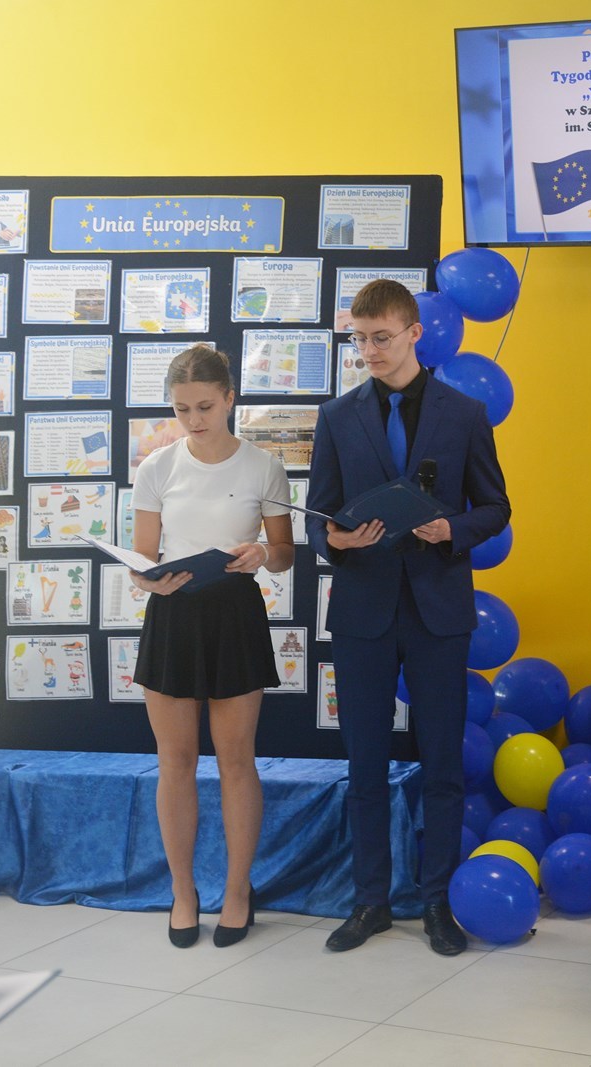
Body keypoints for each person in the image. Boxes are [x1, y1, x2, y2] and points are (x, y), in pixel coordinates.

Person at [306, 279, 510, 956]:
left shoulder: (464, 413)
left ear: (415, 332)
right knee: (364, 764)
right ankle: (370, 901)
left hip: (437, 608)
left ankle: (437, 903)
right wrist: (334, 540)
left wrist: (451, 529)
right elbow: (318, 515)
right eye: (360, 339)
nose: (369, 351)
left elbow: (496, 506)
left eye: (381, 338)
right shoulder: (337, 416)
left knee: (443, 763)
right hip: (362, 607)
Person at [130, 344, 295, 949]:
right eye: (182, 409)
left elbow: (285, 553)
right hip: (173, 613)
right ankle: (182, 892)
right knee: (174, 760)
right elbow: (141, 558)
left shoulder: (263, 466)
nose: (194, 419)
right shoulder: (156, 467)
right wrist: (146, 578)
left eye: (204, 406)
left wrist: (262, 554)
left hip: (234, 614)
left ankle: (237, 891)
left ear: (229, 399)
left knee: (236, 760)